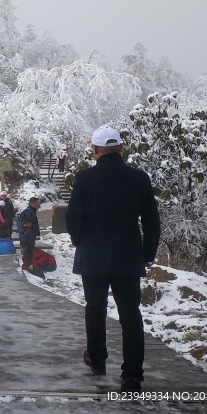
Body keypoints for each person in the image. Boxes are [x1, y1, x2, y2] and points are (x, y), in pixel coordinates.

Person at [66, 126, 161, 393]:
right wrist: (148, 255)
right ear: (121, 148)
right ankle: (131, 375)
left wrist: (79, 241)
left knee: (95, 307)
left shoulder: (84, 179)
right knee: (130, 314)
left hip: (93, 257)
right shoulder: (139, 178)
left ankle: (97, 359)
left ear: (94, 150)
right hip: (128, 257)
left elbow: (73, 219)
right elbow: (152, 222)